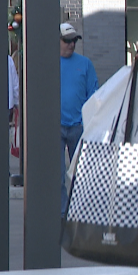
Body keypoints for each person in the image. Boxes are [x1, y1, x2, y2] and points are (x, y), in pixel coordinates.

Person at [60, 22, 98, 216]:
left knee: (80, 172)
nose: (71, 45)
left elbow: (93, 93)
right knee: (58, 174)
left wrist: (88, 121)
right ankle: (62, 212)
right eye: (67, 41)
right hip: (56, 125)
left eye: (74, 40)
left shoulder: (85, 64)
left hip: (78, 126)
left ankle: (78, 208)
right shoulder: (51, 64)